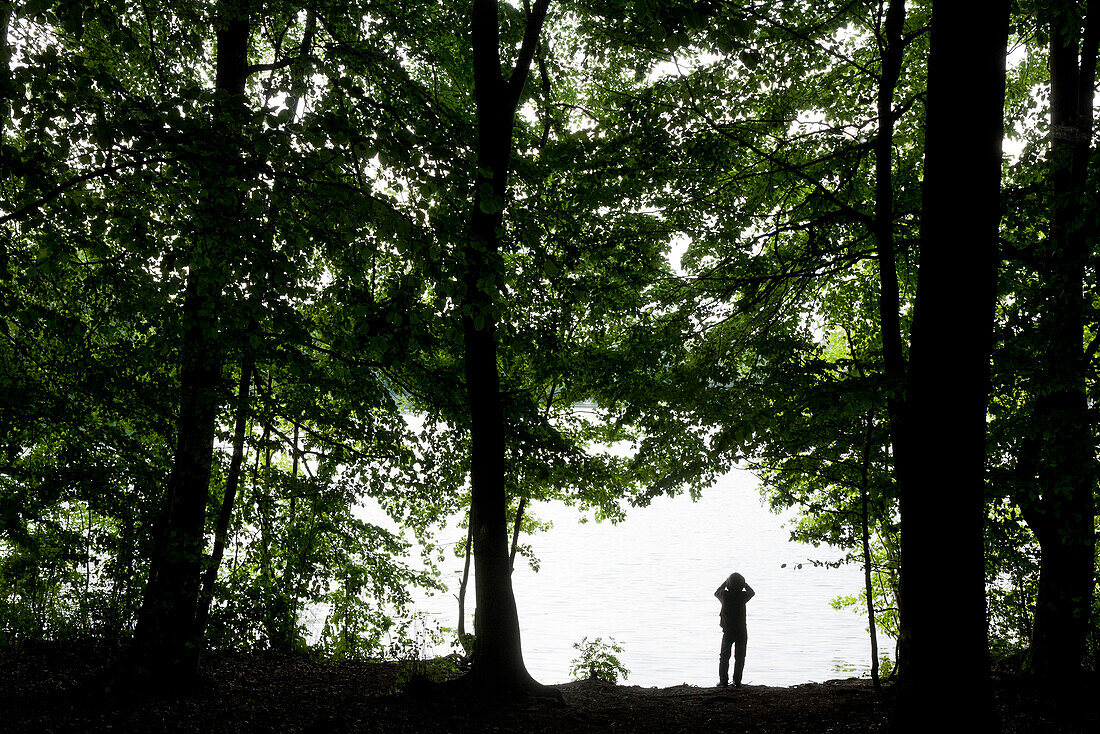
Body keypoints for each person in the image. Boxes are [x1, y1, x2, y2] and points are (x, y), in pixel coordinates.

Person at [714, 572, 755, 687]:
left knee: (724, 656)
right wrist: (745, 585)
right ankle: (737, 681)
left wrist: (725, 582)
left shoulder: (724, 595)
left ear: (728, 585)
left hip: (728, 632)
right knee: (740, 656)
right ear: (741, 586)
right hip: (741, 631)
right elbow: (752, 592)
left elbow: (716, 591)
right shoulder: (742, 596)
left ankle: (723, 681)